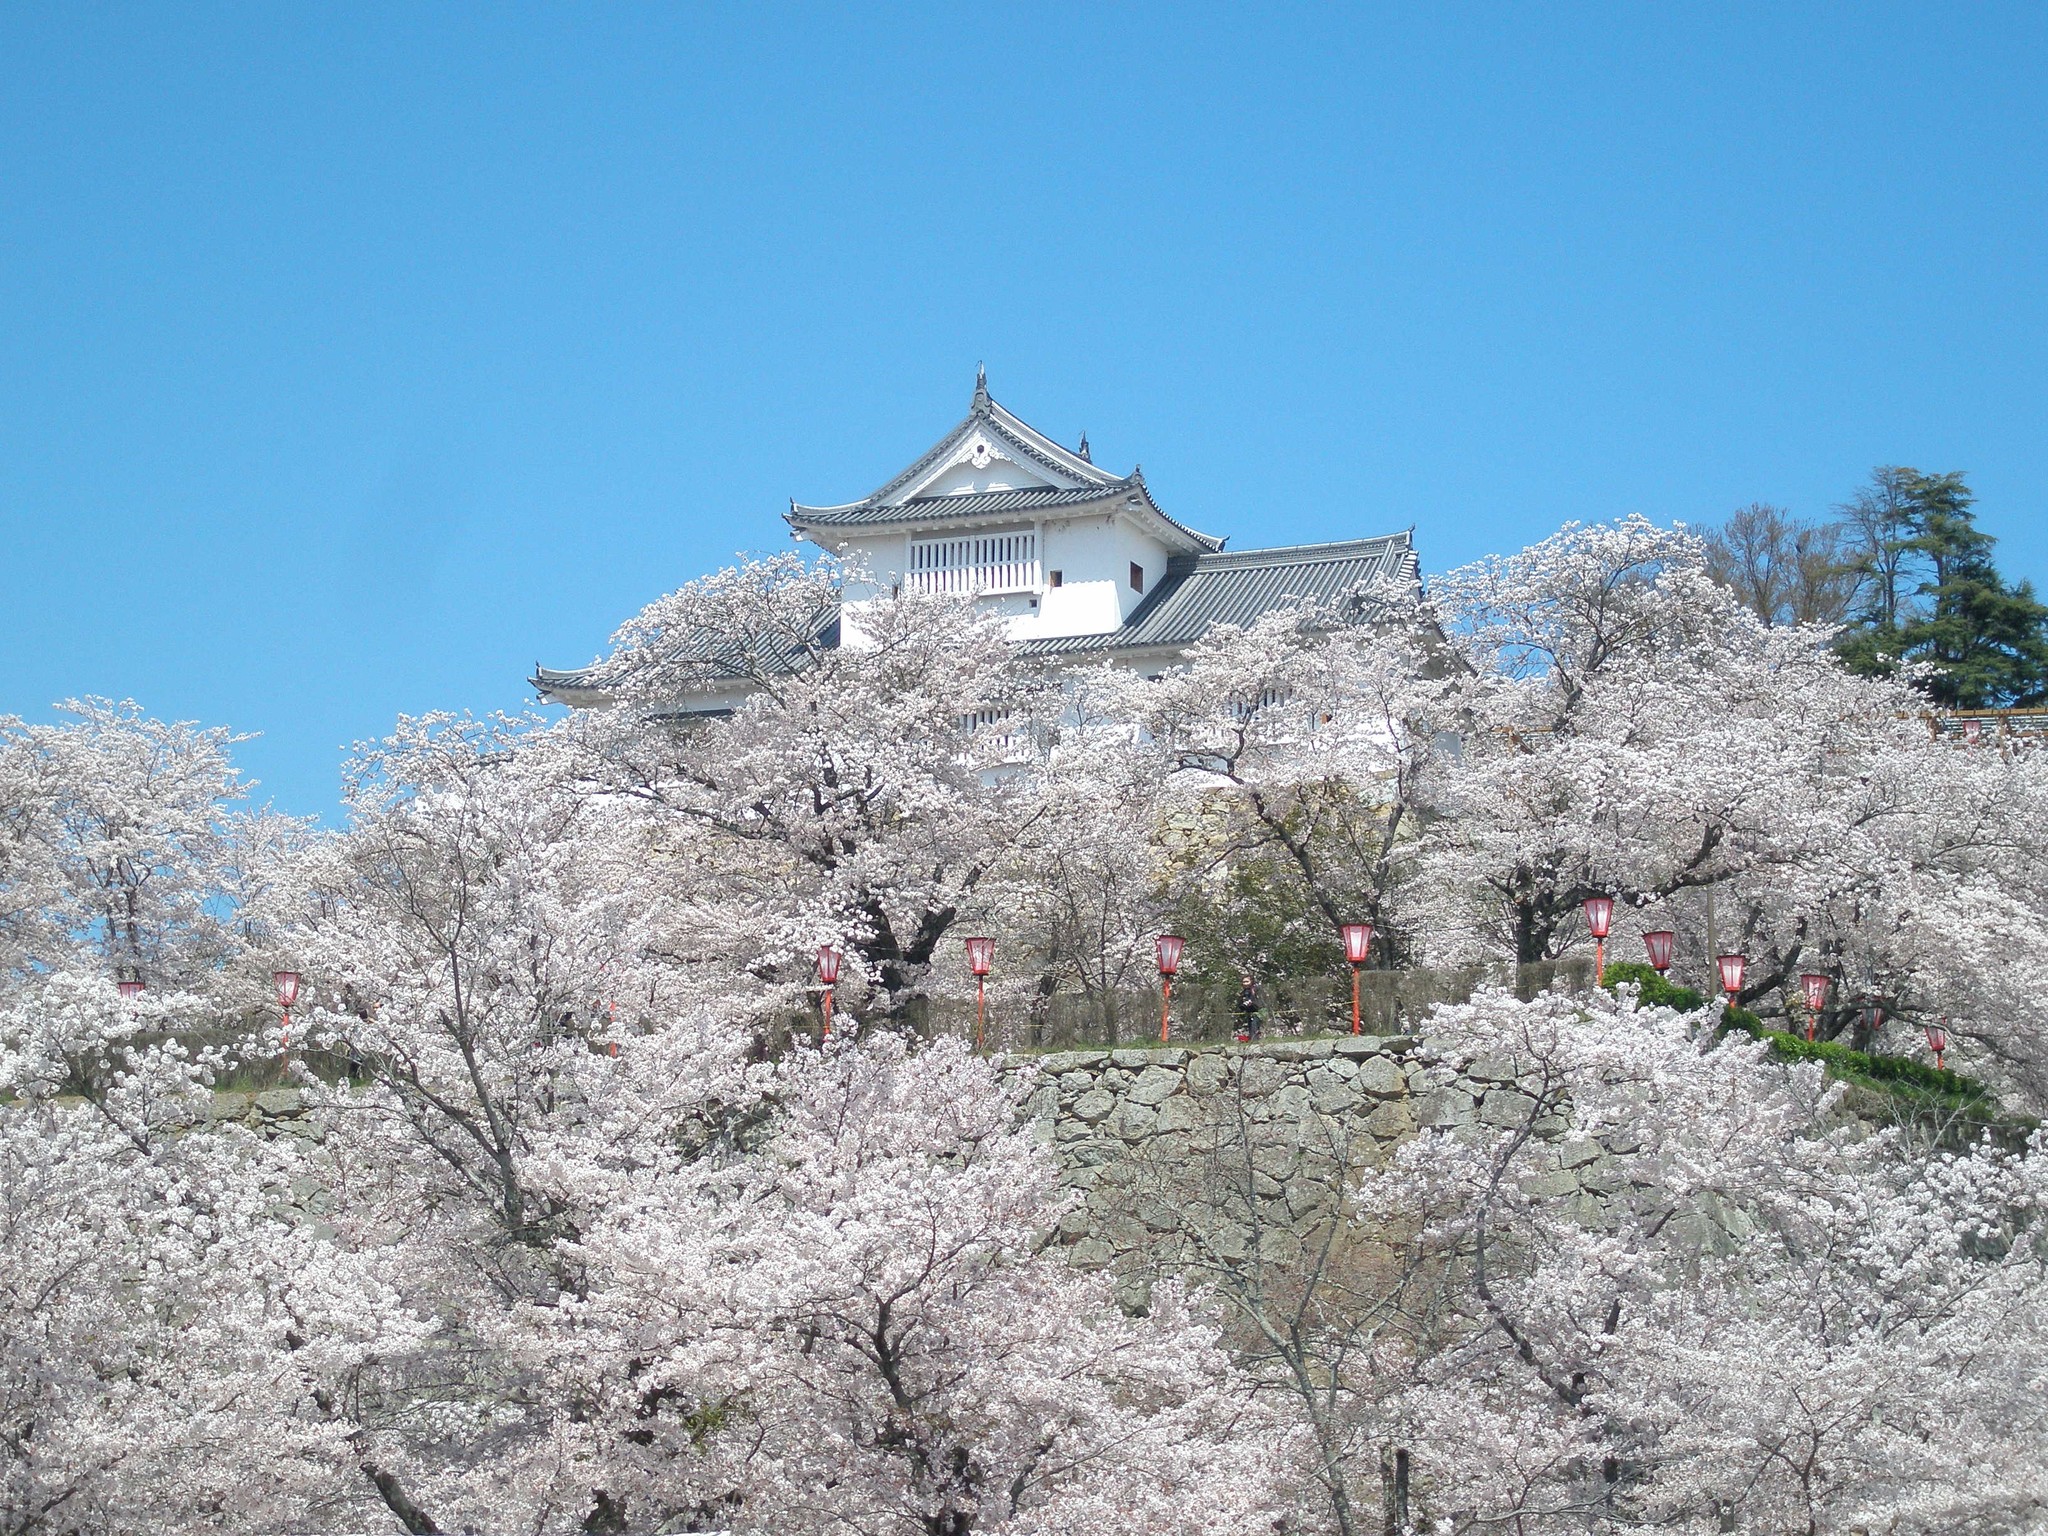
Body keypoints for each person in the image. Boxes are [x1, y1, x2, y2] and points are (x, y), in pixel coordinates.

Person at [1234, 971, 1264, 1042]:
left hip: (1257, 1011)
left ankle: (1255, 1041)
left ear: (1251, 981)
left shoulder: (1254, 989)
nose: (1245, 983)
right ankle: (1252, 1040)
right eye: (1243, 982)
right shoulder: (1244, 991)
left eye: (1247, 981)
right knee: (1250, 1026)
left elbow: (1254, 1000)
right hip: (1249, 1011)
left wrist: (1249, 1003)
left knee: (1255, 1026)